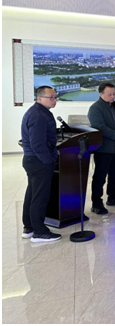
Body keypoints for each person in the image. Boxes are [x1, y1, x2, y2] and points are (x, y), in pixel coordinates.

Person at [20, 86, 61, 242]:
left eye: (55, 97)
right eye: (51, 97)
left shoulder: (39, 112)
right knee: (40, 197)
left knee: (32, 195)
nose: (54, 100)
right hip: (39, 162)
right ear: (39, 98)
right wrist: (48, 160)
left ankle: (29, 227)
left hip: (33, 160)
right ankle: (39, 232)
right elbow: (37, 143)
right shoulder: (38, 115)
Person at [88, 83, 115, 214]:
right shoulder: (95, 108)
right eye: (109, 94)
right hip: (104, 147)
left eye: (114, 94)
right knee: (100, 176)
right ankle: (96, 203)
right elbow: (99, 126)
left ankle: (113, 197)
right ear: (101, 94)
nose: (113, 96)